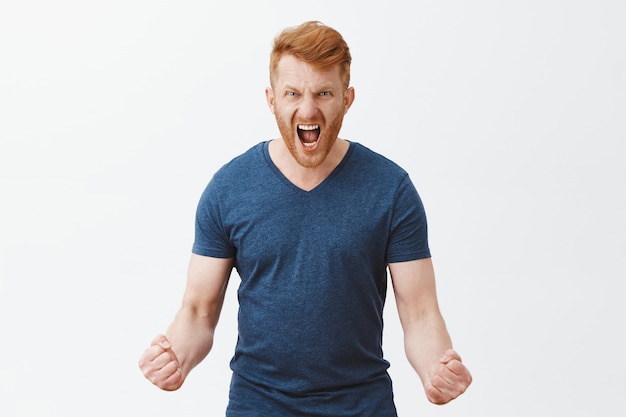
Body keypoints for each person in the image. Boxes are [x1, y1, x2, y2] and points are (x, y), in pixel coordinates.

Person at [138, 20, 472, 416]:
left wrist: (436, 368)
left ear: (347, 99)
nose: (308, 108)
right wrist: (176, 357)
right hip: (257, 405)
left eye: (324, 93)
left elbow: (419, 313)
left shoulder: (391, 189)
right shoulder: (228, 189)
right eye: (292, 93)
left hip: (362, 406)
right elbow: (197, 312)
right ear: (271, 99)